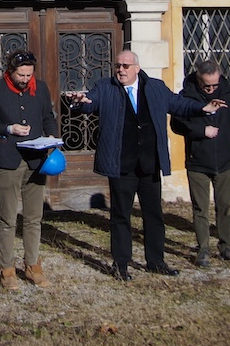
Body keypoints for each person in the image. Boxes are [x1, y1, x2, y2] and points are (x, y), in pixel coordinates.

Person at [71, 49, 207, 281]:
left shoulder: (154, 87)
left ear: (137, 68)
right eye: (118, 66)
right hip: (121, 164)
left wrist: (203, 108)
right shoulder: (106, 87)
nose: (120, 70)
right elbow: (89, 103)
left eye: (125, 66)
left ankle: (155, 261)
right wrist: (81, 102)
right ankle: (121, 264)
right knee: (121, 215)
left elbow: (177, 104)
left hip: (149, 164)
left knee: (153, 214)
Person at [0, 49, 58, 291]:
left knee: (34, 218)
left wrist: (51, 135)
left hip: (36, 160)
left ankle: (33, 266)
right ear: (10, 71)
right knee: (8, 218)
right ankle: (7, 270)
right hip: (9, 160)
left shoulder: (39, 88)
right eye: (21, 75)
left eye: (29, 75)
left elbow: (47, 116)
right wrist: (8, 128)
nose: (26, 80)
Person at [176, 60, 230, 267]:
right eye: (207, 85)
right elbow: (177, 123)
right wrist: (201, 131)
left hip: (225, 161)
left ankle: (226, 246)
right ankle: (203, 249)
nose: (211, 89)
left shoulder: (227, 93)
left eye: (214, 85)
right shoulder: (187, 95)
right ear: (198, 79)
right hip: (198, 162)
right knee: (200, 208)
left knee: (225, 206)